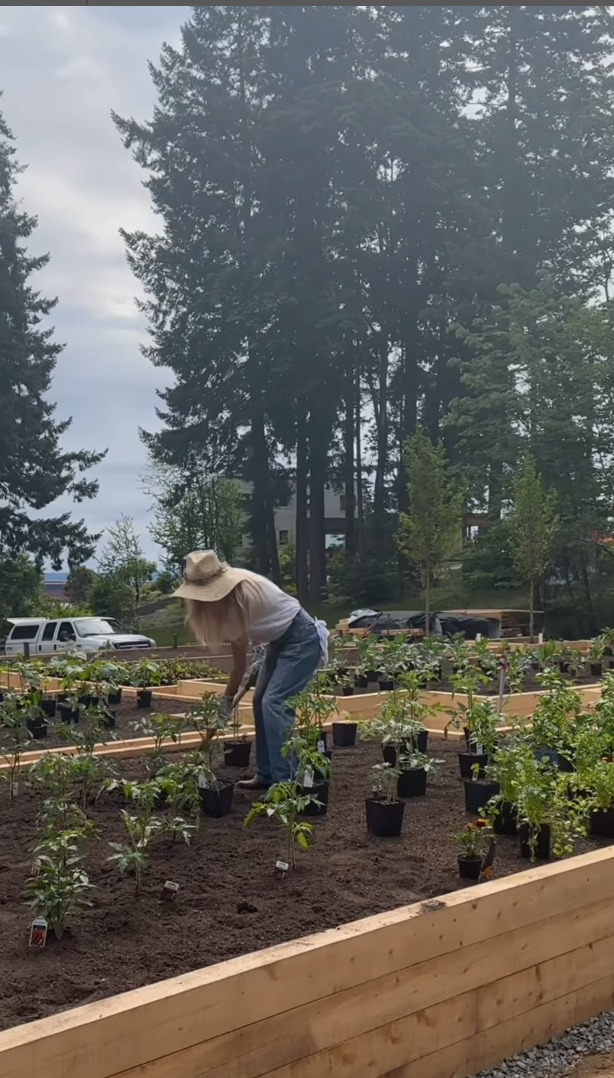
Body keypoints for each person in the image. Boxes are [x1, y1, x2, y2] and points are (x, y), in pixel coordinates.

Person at [173, 550, 328, 790]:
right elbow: (240, 665)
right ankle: (267, 775)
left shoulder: (241, 596)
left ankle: (286, 782)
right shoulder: (229, 601)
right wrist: (225, 705)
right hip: (278, 642)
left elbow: (239, 667)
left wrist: (224, 706)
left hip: (302, 639)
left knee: (274, 703)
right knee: (260, 701)